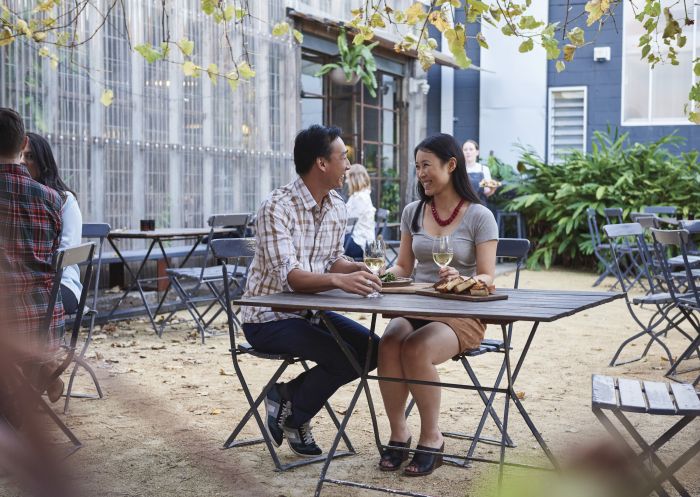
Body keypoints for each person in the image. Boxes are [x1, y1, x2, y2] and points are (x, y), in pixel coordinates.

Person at [241, 124, 381, 457]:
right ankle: (295, 416)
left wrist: (357, 268)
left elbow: (332, 260)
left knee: (375, 350)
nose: (348, 166)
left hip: (309, 314)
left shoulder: (336, 206)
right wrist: (339, 281)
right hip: (267, 318)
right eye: (343, 157)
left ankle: (286, 398)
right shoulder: (276, 207)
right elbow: (291, 277)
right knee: (342, 355)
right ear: (321, 163)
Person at [377, 133, 498, 476]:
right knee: (388, 343)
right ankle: (399, 434)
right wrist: (383, 275)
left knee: (415, 347)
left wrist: (462, 276)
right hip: (417, 304)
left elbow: (489, 277)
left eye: (426, 165)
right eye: (417, 167)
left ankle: (432, 438)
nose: (421, 174)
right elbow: (403, 266)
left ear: (451, 165)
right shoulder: (413, 212)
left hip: (461, 311)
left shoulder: (479, 216)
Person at [0, 108, 64, 402]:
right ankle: (36, 369)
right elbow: (52, 256)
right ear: (24, 142)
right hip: (43, 324)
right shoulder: (51, 198)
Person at [22, 132, 83, 315]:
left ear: (43, 162)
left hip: (61, 282)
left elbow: (68, 252)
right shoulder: (13, 200)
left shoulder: (65, 200)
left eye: (30, 156)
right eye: (19, 156)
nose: (23, 162)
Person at [344, 163, 376, 260]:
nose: (346, 181)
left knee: (331, 243)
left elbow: (347, 222)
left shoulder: (360, 198)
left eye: (347, 178)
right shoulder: (359, 196)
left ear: (354, 179)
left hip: (360, 243)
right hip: (356, 239)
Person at [462, 139, 497, 206]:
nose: (468, 152)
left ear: (477, 152)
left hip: (480, 206)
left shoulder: (484, 169)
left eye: (471, 149)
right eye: (465, 149)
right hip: (463, 207)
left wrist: (493, 189)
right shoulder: (459, 169)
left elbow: (487, 192)